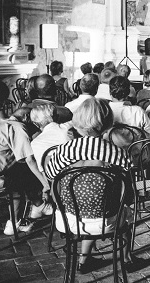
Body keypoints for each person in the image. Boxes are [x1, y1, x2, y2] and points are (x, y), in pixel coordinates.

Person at [44, 98, 133, 272]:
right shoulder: (116, 153)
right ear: (108, 123)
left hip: (68, 219)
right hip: (105, 220)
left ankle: (84, 261)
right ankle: (127, 260)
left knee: (84, 205)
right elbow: (128, 191)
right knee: (121, 211)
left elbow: (50, 177)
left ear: (77, 122)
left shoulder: (64, 150)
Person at [0, 107, 53, 235]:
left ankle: (39, 206)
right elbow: (30, 160)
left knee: (21, 168)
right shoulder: (18, 128)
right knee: (24, 174)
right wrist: (46, 184)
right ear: (26, 118)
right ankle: (15, 223)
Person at [108, 76, 150, 146]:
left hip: (110, 151)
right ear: (128, 92)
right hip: (135, 153)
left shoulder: (104, 110)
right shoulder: (138, 111)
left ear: (110, 92)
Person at [30, 104, 73, 172]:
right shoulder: (71, 126)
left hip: (59, 178)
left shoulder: (35, 143)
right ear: (56, 117)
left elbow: (43, 170)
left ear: (36, 124)